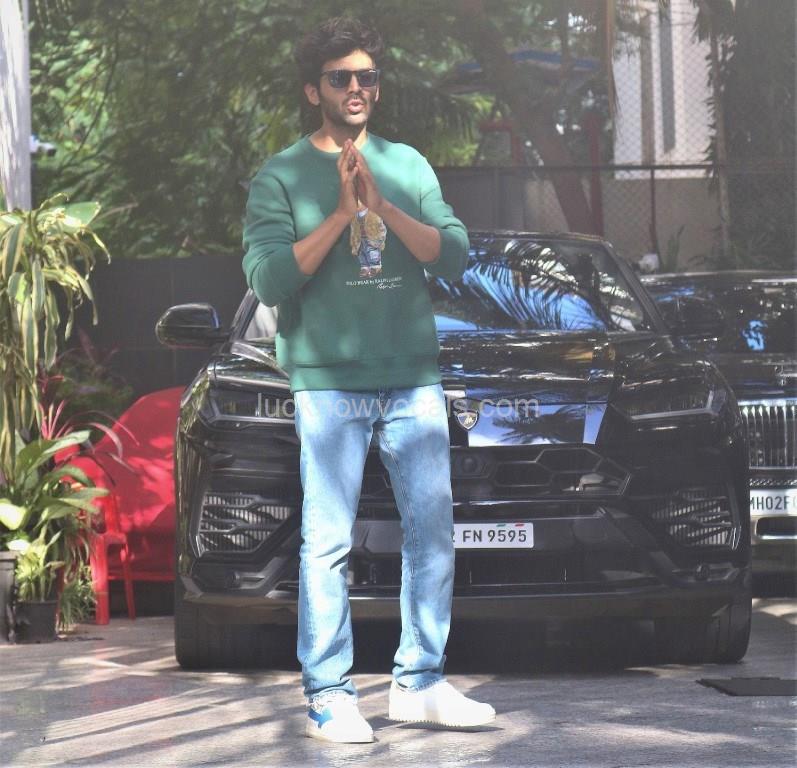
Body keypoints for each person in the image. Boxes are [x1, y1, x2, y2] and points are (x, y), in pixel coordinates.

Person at [241, 16, 495, 744]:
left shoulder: (407, 165)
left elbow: (453, 256)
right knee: (327, 544)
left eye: (366, 77)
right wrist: (342, 215)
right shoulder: (281, 175)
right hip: (327, 384)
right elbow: (269, 278)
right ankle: (329, 696)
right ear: (312, 90)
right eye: (339, 77)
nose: (355, 88)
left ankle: (420, 683)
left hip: (411, 377)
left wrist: (380, 207)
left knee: (432, 534)